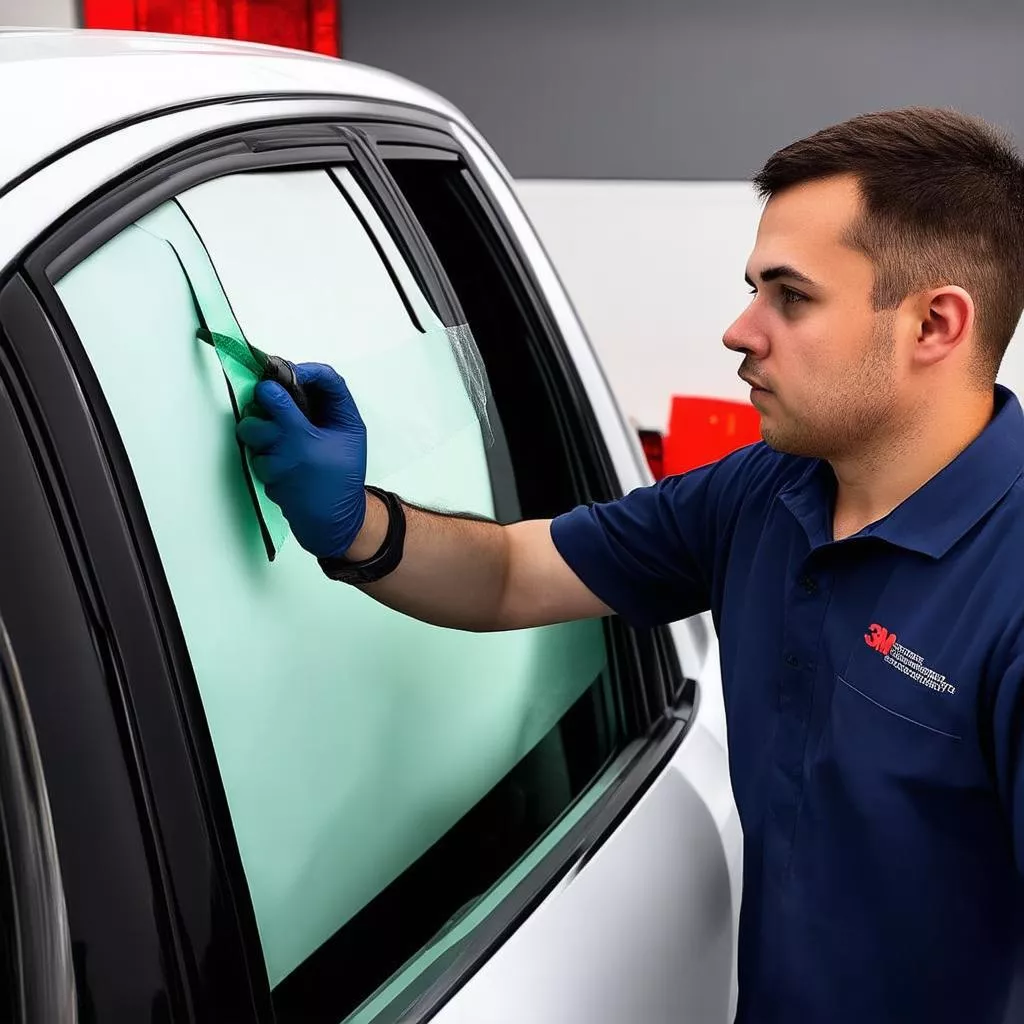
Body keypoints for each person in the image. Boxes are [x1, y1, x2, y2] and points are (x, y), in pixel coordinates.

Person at [237, 107, 1024, 1023]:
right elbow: (509, 575)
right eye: (752, 289)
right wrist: (353, 525)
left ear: (934, 324)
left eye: (790, 296)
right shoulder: (767, 492)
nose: (740, 331)